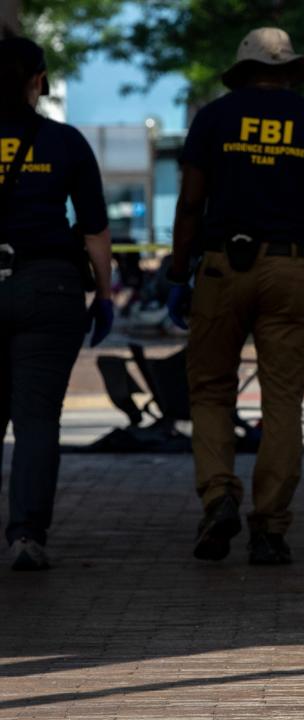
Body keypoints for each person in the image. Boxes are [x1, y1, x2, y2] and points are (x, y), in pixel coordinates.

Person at [166, 27, 304, 565]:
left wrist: (180, 274)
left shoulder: (213, 119)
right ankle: (269, 528)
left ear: (243, 70)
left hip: (222, 268)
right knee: (282, 402)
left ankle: (219, 495)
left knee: (209, 391)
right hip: (289, 268)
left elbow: (189, 205)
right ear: (289, 69)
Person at [0, 37, 114, 571]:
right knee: (38, 419)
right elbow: (93, 230)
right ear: (37, 80)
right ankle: (26, 535)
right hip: (50, 288)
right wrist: (107, 294)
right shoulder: (64, 142)